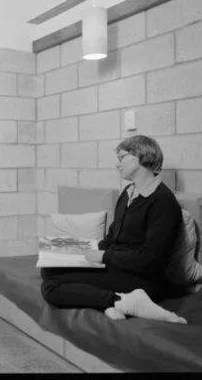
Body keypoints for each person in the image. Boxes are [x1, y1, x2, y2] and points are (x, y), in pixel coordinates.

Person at [40, 134, 187, 323]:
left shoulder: (163, 201)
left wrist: (103, 256)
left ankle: (117, 301)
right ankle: (110, 302)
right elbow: (112, 239)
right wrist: (80, 251)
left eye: (122, 158)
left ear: (142, 156)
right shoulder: (128, 193)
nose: (117, 164)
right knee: (49, 270)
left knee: (51, 286)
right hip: (116, 266)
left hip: (142, 279)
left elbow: (150, 260)